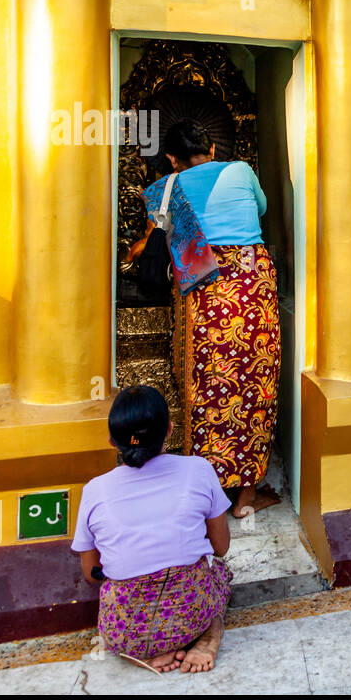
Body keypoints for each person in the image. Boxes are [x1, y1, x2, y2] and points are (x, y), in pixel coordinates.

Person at [131, 120, 280, 518]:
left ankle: (204, 493)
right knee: (256, 380)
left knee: (206, 385)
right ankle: (246, 497)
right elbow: (261, 209)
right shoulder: (243, 171)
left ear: (172, 159)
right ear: (212, 148)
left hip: (205, 291)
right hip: (253, 287)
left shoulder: (165, 189)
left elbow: (156, 241)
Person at [72, 385, 232, 674]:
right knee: (219, 571)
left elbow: (91, 573)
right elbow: (221, 548)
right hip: (191, 617)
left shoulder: (94, 491)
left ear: (111, 440)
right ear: (170, 430)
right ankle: (209, 634)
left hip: (125, 635)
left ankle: (151, 650)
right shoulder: (199, 469)